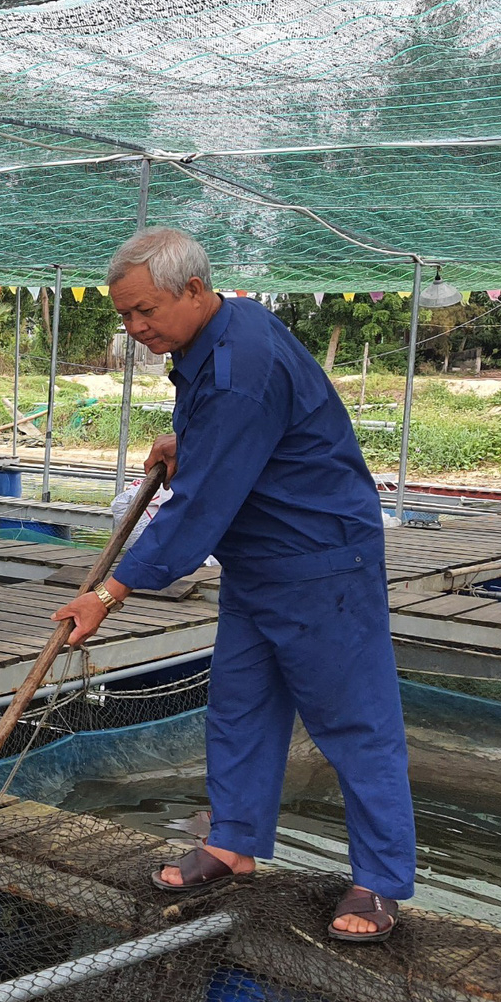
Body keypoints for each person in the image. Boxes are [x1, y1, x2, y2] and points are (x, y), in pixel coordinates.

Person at [52, 227, 414, 942]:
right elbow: (237, 439)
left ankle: (380, 880)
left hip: (319, 559)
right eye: (124, 315)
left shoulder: (242, 362)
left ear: (193, 289)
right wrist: (188, 439)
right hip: (257, 558)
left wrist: (109, 591)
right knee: (241, 704)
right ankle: (232, 841)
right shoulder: (218, 332)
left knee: (354, 723)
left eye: (144, 312)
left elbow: (200, 508)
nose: (135, 329)